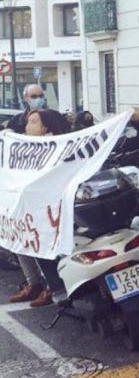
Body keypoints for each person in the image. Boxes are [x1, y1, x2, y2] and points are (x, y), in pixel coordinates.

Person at [7, 109, 69, 308]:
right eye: (27, 122)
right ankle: (34, 283)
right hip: (27, 206)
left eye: (33, 122)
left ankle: (53, 286)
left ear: (45, 128)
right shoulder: (23, 145)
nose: (27, 127)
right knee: (16, 237)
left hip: (49, 210)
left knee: (43, 246)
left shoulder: (57, 147)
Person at [5, 84, 70, 134]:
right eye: (34, 96)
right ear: (25, 98)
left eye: (41, 96)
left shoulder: (56, 116)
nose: (38, 99)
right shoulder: (16, 121)